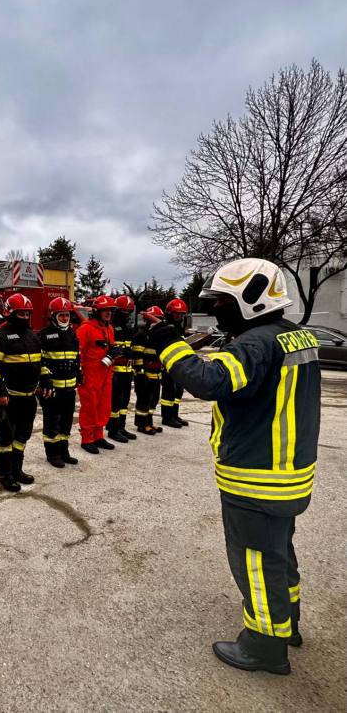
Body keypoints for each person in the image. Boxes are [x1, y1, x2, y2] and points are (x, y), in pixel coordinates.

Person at [146, 258, 319, 675]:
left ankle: (263, 645)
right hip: (289, 472)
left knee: (256, 561)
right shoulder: (298, 337)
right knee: (279, 553)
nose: (217, 308)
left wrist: (169, 345)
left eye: (222, 300)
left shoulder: (256, 343)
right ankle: (286, 623)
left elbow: (210, 382)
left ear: (252, 299)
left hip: (257, 475)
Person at [0, 293, 51, 491]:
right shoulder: (1, 337)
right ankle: (5, 474)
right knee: (4, 439)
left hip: (28, 398)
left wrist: (46, 379)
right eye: (20, 313)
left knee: (22, 436)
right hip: (8, 398)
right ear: (10, 313)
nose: (24, 316)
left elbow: (42, 363)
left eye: (27, 313)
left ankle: (16, 470)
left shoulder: (33, 336)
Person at [37, 296, 81, 467]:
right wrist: (44, 378)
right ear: (53, 316)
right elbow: (39, 360)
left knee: (66, 422)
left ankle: (64, 451)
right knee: (52, 422)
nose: (64, 318)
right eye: (61, 315)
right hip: (52, 389)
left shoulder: (72, 334)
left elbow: (76, 357)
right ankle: (52, 454)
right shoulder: (44, 335)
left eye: (67, 315)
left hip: (69, 388)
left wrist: (79, 372)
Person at [76, 295, 117, 454]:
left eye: (110, 310)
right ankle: (87, 438)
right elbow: (78, 353)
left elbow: (110, 349)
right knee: (89, 406)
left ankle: (98, 436)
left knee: (103, 406)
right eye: (105, 310)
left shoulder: (109, 328)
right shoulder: (85, 329)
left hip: (106, 373)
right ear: (96, 311)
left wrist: (114, 353)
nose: (108, 313)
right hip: (90, 374)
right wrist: (79, 373)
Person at [106, 295, 137, 443]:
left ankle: (121, 427)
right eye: (125, 312)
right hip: (115, 370)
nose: (127, 315)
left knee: (125, 401)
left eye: (129, 312)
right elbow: (111, 347)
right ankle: (113, 429)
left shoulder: (128, 326)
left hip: (127, 370)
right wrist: (124, 351)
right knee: (115, 401)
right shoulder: (111, 326)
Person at [131, 306, 165, 435]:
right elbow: (137, 355)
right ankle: (141, 424)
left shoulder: (157, 336)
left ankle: (149, 422)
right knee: (143, 400)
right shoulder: (142, 335)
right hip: (144, 375)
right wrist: (140, 373)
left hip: (156, 374)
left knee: (154, 400)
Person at [160, 297, 190, 428]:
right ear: (170, 313)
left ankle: (174, 414)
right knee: (168, 390)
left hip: (178, 364)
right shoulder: (166, 327)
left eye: (181, 314)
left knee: (178, 390)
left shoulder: (179, 327)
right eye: (176, 313)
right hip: (167, 364)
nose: (178, 316)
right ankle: (167, 417)